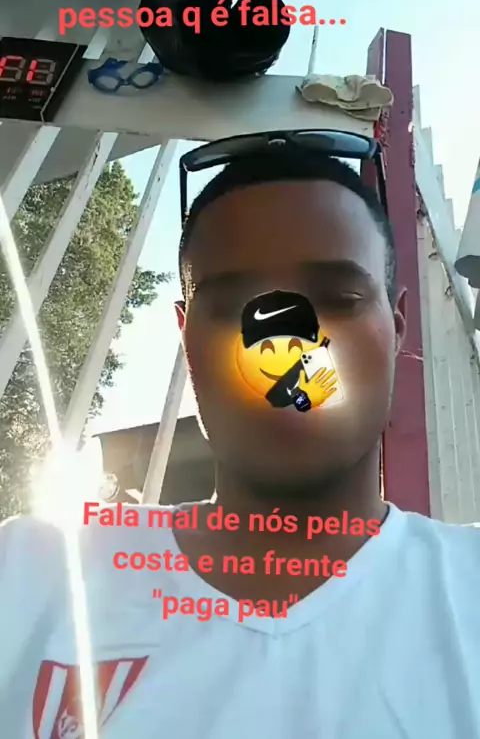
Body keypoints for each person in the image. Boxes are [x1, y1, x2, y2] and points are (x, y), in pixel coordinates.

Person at [1, 142, 479, 739]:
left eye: (337, 299)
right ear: (186, 337)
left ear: (397, 325)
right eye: (233, 307)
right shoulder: (29, 576)